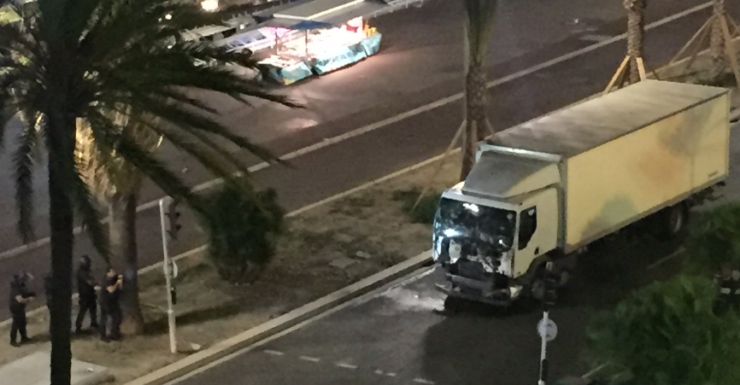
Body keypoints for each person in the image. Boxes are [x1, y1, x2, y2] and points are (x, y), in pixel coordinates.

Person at [9, 271, 35, 347]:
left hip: (20, 307)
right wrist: (29, 299)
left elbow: (24, 294)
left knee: (22, 322)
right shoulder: (16, 288)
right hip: (16, 307)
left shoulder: (21, 286)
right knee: (16, 324)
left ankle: (24, 337)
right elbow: (19, 299)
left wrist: (29, 294)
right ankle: (12, 341)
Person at [75, 255, 99, 333]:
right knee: (83, 310)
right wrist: (96, 284)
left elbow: (92, 278)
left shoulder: (88, 270)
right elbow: (89, 281)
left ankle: (93, 322)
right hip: (84, 294)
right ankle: (78, 326)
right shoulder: (81, 272)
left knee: (93, 308)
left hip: (90, 292)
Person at [99, 267, 123, 342]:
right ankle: (103, 335)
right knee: (105, 318)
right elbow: (111, 290)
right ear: (108, 273)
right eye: (112, 271)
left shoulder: (115, 278)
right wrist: (117, 283)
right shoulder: (106, 280)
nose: (114, 272)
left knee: (117, 317)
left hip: (113, 302)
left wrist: (120, 281)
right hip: (106, 302)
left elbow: (120, 288)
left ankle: (115, 334)